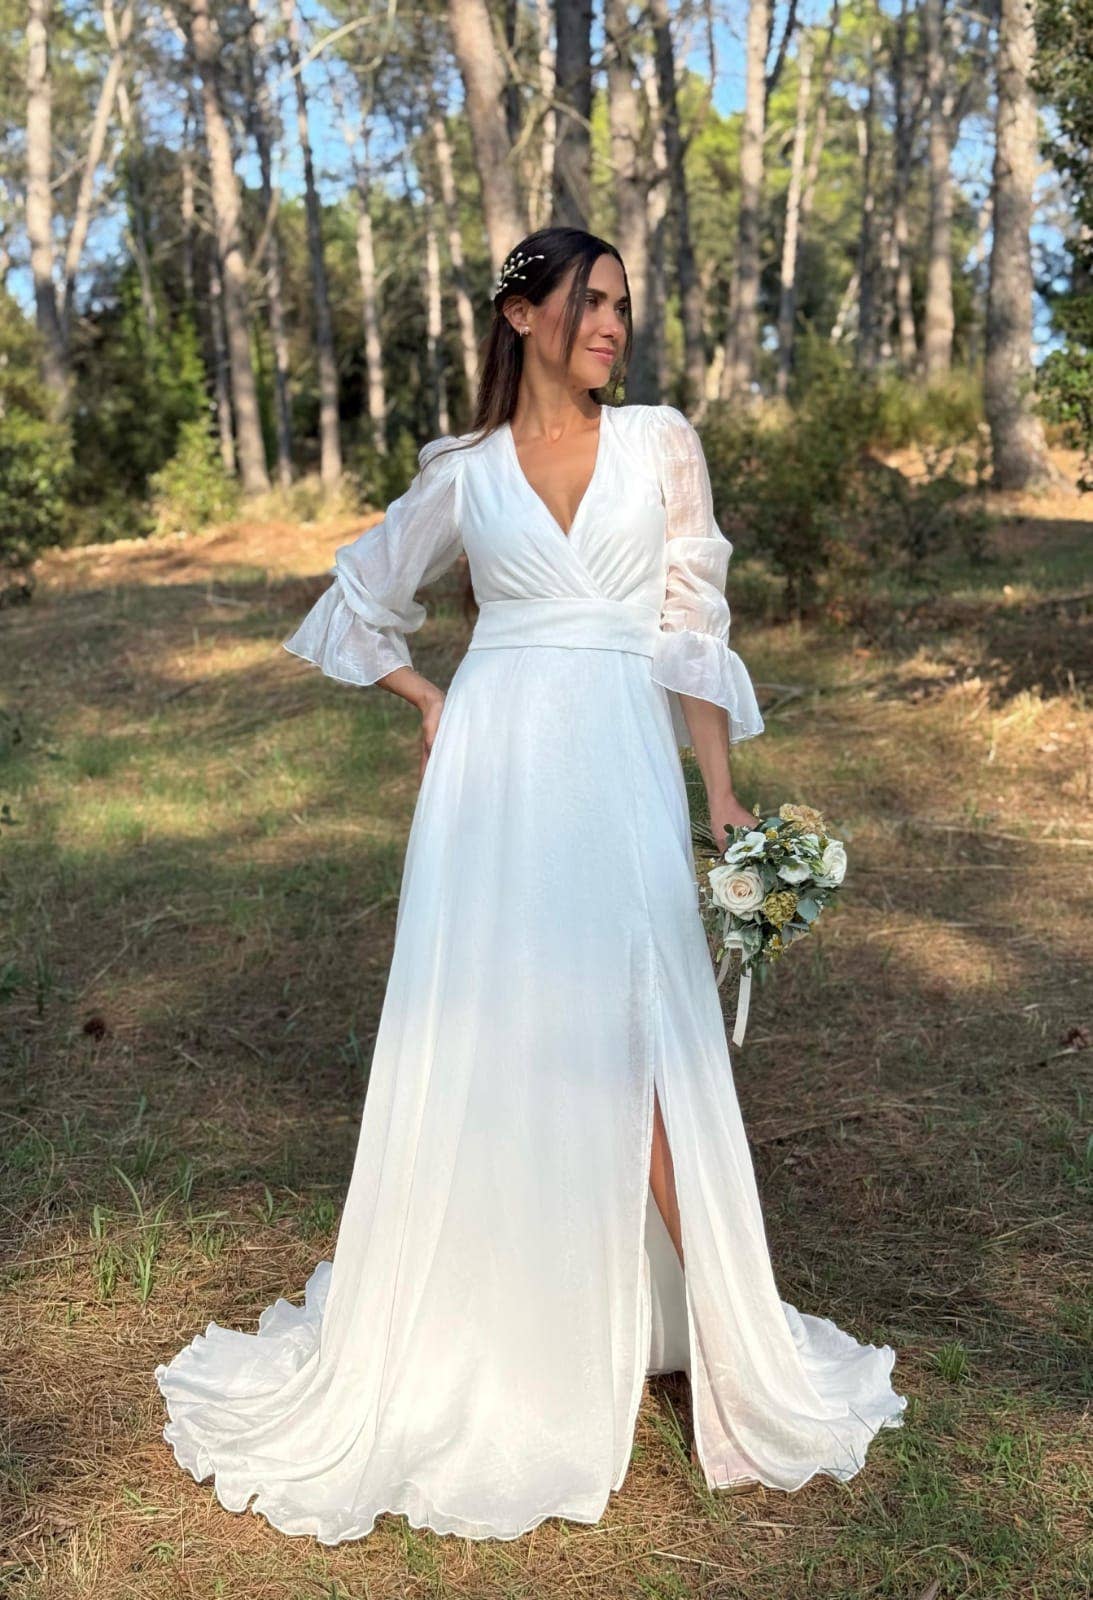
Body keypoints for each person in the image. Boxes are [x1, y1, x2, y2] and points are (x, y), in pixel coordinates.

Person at [154, 226, 907, 1545]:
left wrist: (720, 794)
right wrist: (427, 696)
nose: (611, 325)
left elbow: (690, 621)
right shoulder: (466, 472)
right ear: (520, 315)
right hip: (492, 776)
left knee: (642, 1028)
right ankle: (508, 1324)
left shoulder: (660, 443)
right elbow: (356, 595)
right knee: (496, 1025)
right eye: (588, 302)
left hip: (616, 758)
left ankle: (734, 1349)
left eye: (621, 305)